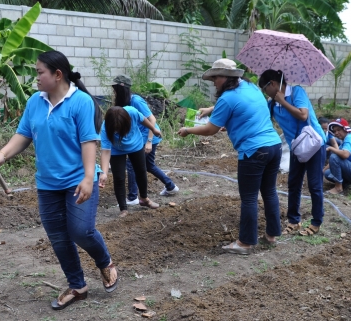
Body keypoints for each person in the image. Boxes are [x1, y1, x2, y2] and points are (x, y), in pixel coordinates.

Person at [0, 50, 117, 310]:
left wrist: (89, 177)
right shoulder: (35, 101)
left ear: (57, 75)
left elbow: (88, 141)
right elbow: (23, 135)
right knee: (58, 237)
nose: (36, 77)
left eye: (39, 72)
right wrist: (2, 154)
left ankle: (105, 263)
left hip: (78, 180)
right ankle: (77, 286)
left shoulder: (80, 102)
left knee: (81, 231)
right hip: (47, 184)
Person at [177, 59, 282, 255]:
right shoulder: (251, 88)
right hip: (274, 146)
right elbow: (244, 110)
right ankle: (271, 235)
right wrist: (212, 110)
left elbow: (210, 129)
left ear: (225, 77)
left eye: (215, 78)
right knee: (269, 192)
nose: (214, 83)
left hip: (254, 151)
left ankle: (245, 243)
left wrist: (188, 130)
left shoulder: (227, 98)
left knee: (249, 198)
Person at [259, 69, 325, 237]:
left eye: (265, 88)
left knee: (314, 185)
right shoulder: (272, 104)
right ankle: (294, 220)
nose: (265, 92)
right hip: (297, 147)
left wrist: (283, 101)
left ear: (273, 84)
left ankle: (316, 222)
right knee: (293, 183)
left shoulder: (296, 92)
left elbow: (303, 115)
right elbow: (258, 116)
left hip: (314, 144)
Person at [107, 75, 179, 204]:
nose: (114, 92)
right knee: (149, 165)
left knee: (131, 165)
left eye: (115, 89)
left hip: (149, 137)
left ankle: (133, 197)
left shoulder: (136, 101)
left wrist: (149, 142)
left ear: (121, 89)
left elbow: (152, 119)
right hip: (142, 138)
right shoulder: (125, 102)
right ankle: (171, 186)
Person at [98, 105, 162, 216]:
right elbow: (106, 151)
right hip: (116, 150)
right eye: (116, 129)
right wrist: (104, 173)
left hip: (135, 145)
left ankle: (144, 198)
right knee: (119, 177)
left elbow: (143, 120)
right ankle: (123, 208)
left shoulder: (132, 112)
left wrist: (153, 129)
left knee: (141, 171)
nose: (118, 131)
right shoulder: (105, 129)